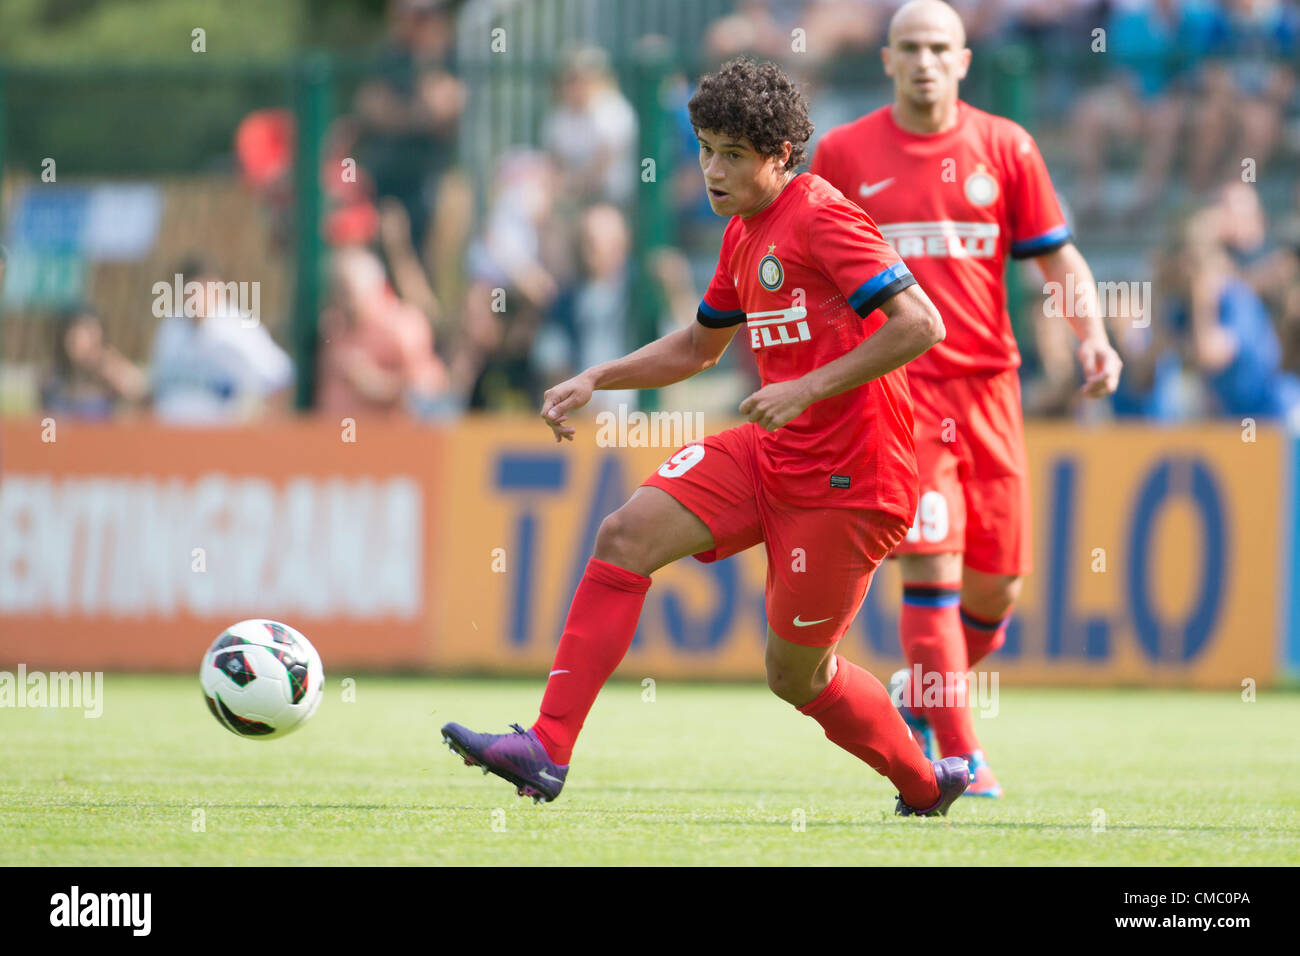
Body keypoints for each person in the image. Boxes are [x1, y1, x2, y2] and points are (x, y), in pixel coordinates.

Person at [441, 57, 972, 818]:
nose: (712, 170)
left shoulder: (823, 216)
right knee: (624, 535)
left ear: (780, 156)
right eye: (704, 148)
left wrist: (807, 387)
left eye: (732, 154)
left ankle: (925, 784)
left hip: (851, 483)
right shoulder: (741, 236)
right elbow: (698, 348)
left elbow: (922, 324)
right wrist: (598, 376)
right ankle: (547, 749)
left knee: (795, 675)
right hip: (773, 452)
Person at [810, 0, 1123, 797]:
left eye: (938, 47)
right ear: (886, 59)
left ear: (963, 59)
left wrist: (1091, 337)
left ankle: (918, 694)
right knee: (932, 566)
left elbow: (1060, 262)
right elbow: (811, 267)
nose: (923, 61)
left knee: (997, 590)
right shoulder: (846, 154)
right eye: (908, 47)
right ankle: (963, 753)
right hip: (900, 394)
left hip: (990, 389)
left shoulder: (1006, 147)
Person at [149, 257, 296, 425]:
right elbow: (156, 384)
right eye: (188, 290)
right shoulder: (172, 328)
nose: (193, 298)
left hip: (221, 440)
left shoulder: (238, 328)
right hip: (168, 437)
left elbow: (280, 375)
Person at [41, 304, 147, 419]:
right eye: (84, 332)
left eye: (94, 335)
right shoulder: (52, 382)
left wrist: (110, 366)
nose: (91, 342)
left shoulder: (109, 373)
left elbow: (139, 390)